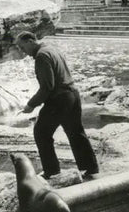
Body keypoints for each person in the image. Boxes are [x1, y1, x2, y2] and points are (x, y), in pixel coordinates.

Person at [14, 32, 99, 179]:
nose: (22, 51)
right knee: (76, 132)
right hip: (72, 94)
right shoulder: (51, 48)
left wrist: (31, 105)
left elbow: (47, 87)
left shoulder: (41, 56)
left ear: (30, 41)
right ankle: (90, 168)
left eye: (22, 47)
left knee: (41, 132)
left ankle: (52, 171)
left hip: (59, 99)